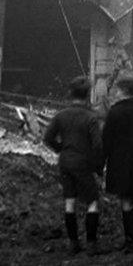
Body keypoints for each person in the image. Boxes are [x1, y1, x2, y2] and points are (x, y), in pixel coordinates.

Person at [42, 76, 104, 255]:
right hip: (83, 163)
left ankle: (73, 243)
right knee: (92, 202)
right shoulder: (91, 117)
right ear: (87, 94)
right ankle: (91, 244)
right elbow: (98, 145)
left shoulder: (61, 115)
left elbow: (47, 138)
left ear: (71, 93)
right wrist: (98, 167)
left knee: (69, 202)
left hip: (65, 162)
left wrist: (62, 149)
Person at [102, 78, 133, 252]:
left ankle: (130, 241)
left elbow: (106, 140)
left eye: (117, 90)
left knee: (125, 199)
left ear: (123, 92)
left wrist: (101, 163)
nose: (115, 92)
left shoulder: (114, 112)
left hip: (119, 161)